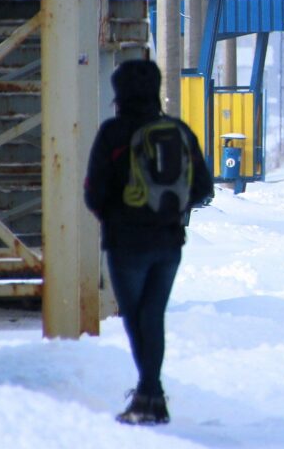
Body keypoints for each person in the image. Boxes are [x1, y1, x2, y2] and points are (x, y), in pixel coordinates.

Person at [84, 59, 214, 426]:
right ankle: (150, 394)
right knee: (152, 315)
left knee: (136, 317)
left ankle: (148, 395)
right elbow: (203, 187)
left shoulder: (113, 133)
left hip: (126, 244)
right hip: (169, 242)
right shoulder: (178, 131)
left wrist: (118, 215)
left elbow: (94, 192)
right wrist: (171, 210)